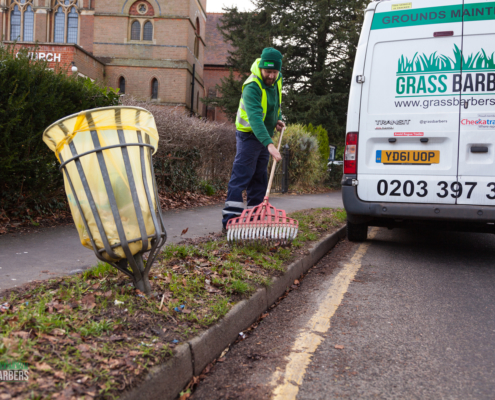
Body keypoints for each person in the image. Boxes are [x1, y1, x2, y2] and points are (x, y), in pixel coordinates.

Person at [222, 47, 286, 231]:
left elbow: (274, 102)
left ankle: (254, 221)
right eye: (268, 72)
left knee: (259, 179)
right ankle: (229, 223)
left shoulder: (277, 79)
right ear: (261, 68)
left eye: (275, 72)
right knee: (241, 177)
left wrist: (276, 119)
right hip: (249, 137)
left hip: (264, 136)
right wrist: (270, 145)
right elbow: (255, 119)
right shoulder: (252, 86)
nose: (272, 76)